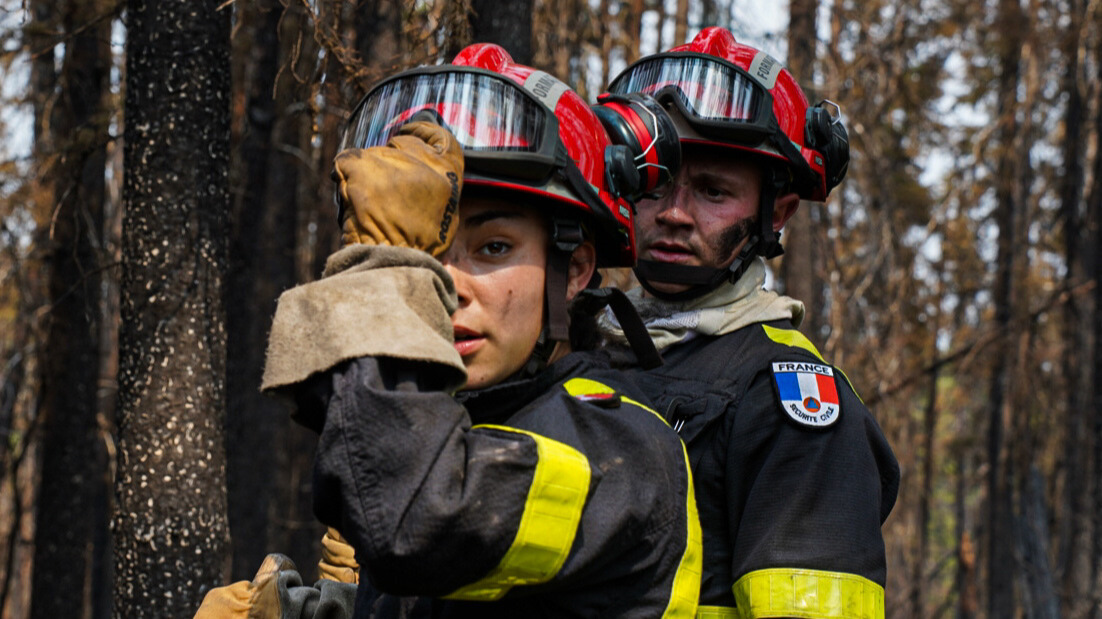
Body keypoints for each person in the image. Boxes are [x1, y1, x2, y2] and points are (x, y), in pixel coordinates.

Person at [195, 43, 700, 618]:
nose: (447, 284)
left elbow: (420, 526)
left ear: (575, 271)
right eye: (431, 254)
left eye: (492, 248)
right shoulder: (456, 423)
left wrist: (387, 268)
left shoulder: (617, 447)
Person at [597, 27, 901, 618]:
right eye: (656, 184)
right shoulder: (573, 349)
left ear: (777, 212)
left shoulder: (792, 402)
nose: (675, 214)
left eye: (713, 191)